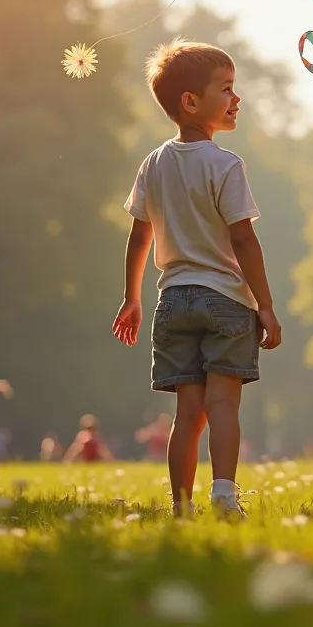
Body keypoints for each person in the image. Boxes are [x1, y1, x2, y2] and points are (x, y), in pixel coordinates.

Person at [111, 39, 282, 520]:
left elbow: (138, 236)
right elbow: (244, 241)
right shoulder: (226, 165)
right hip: (225, 299)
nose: (236, 98)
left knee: (188, 411)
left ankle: (181, 505)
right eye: (226, 89)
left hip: (173, 302)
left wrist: (132, 298)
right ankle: (225, 497)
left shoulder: (154, 163)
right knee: (223, 403)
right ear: (191, 102)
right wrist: (265, 305)